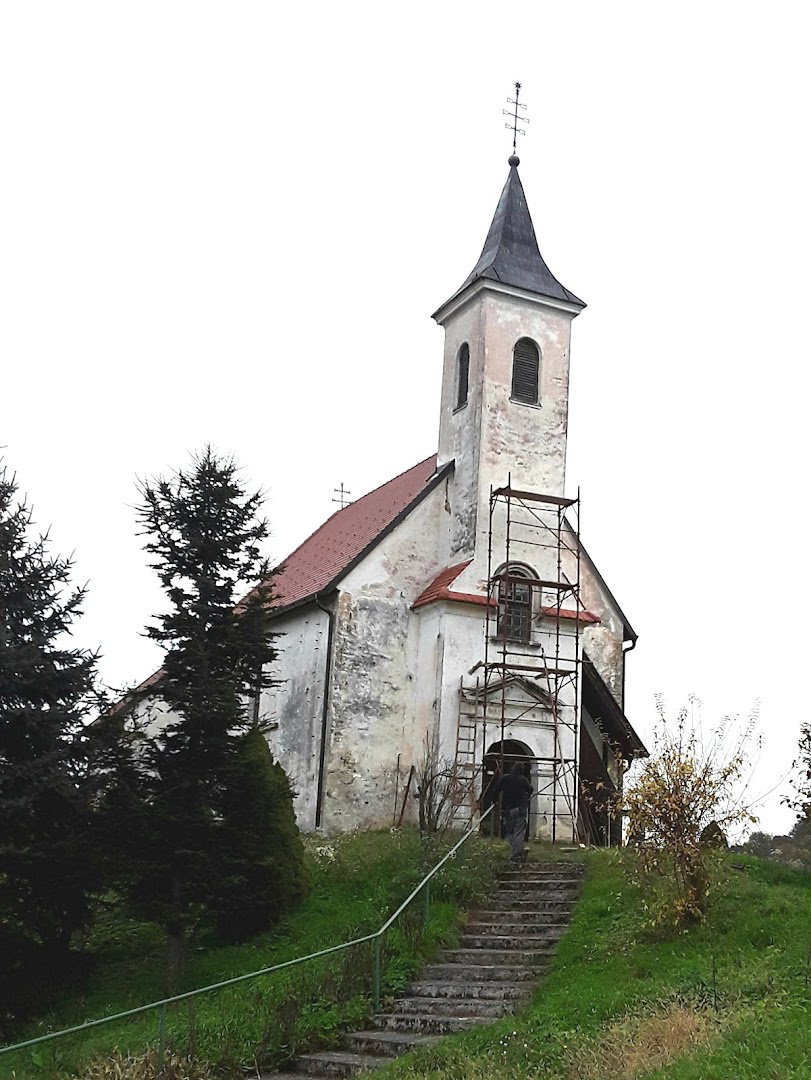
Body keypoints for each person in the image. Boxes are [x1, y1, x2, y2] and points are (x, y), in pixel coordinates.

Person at [493, 762, 533, 864]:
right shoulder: (523, 779)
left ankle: (517, 850)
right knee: (519, 832)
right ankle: (517, 854)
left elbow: (496, 790)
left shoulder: (505, 778)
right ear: (522, 770)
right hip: (521, 809)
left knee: (509, 832)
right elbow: (530, 790)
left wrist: (494, 801)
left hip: (508, 810)